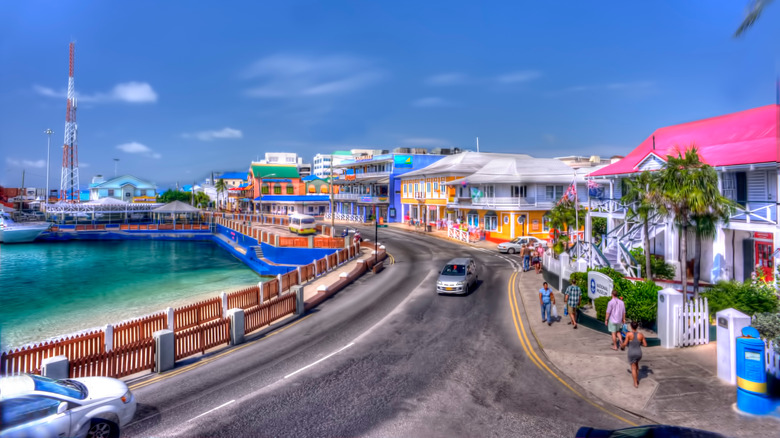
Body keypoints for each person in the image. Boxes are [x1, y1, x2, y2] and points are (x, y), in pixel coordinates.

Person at [621, 321, 647, 388]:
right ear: (637, 326)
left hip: (631, 353)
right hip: (638, 353)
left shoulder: (628, 334)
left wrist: (622, 345)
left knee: (633, 368)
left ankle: (635, 383)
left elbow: (625, 344)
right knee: (636, 365)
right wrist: (638, 343)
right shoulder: (641, 335)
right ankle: (636, 379)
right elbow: (645, 344)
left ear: (631, 326)